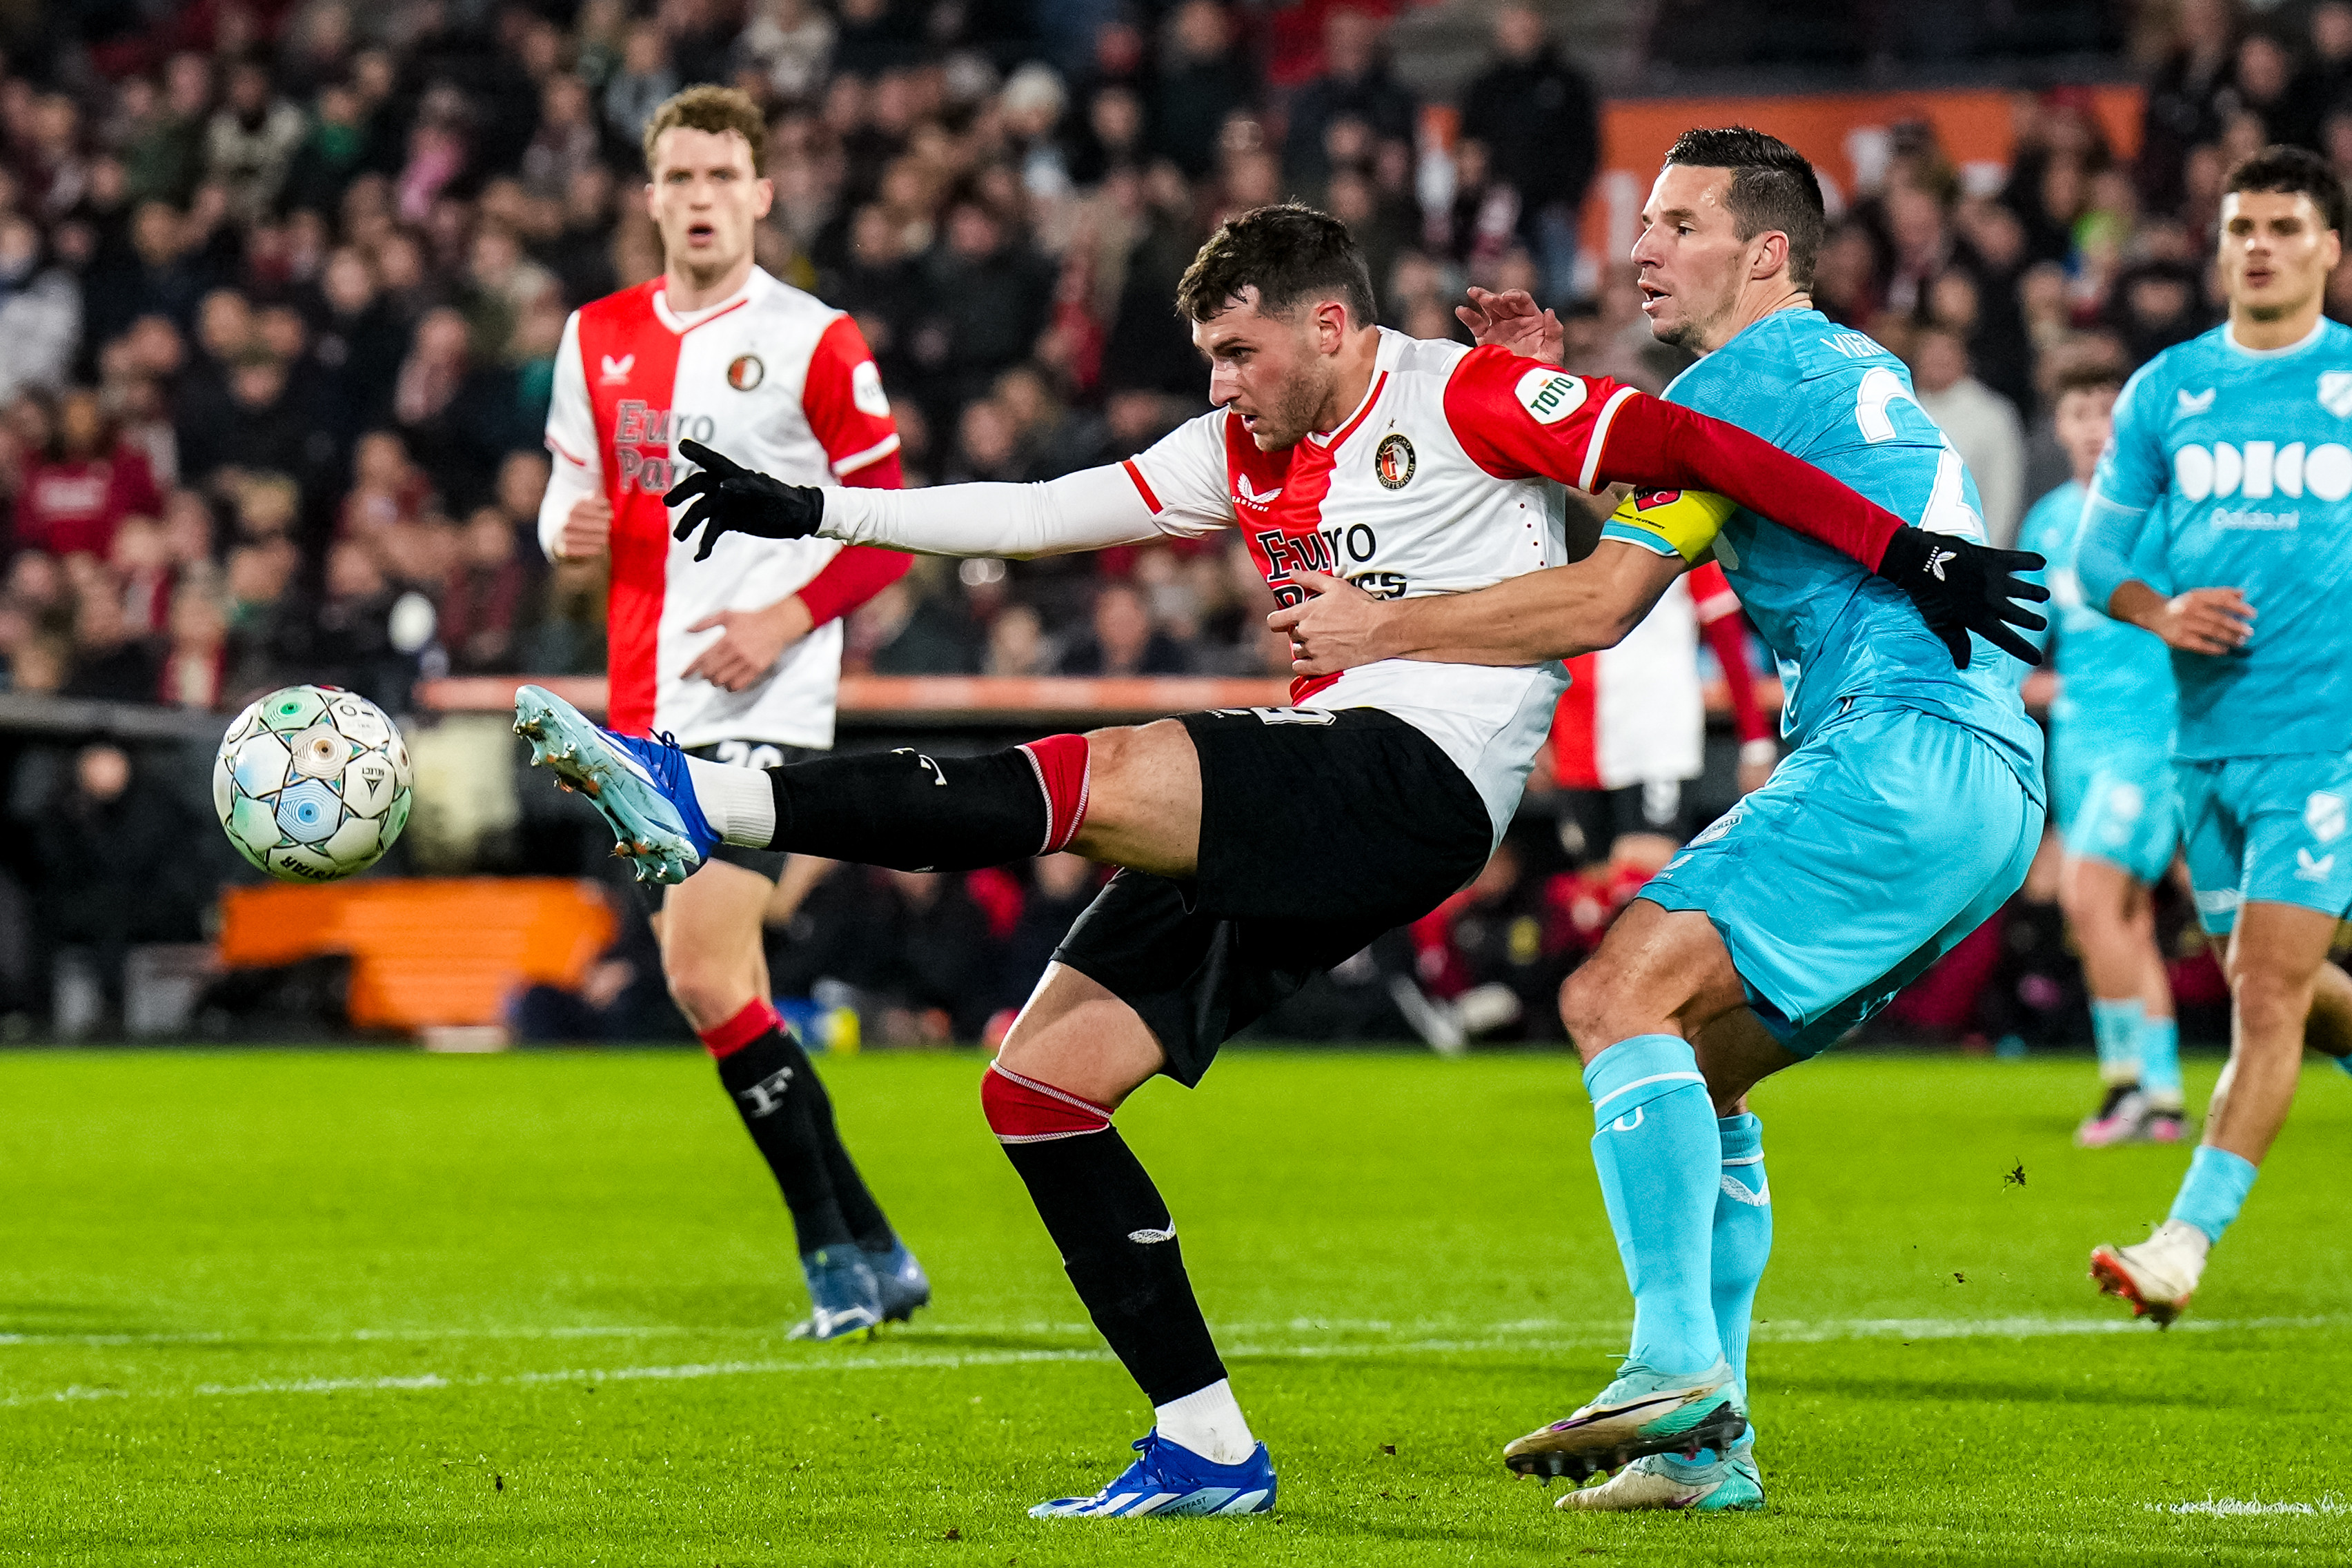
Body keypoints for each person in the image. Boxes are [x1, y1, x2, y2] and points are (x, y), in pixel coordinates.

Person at [511, 201, 2045, 1520]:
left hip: (1419, 772)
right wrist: (814, 505)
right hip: (1323, 790)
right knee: (1038, 1084)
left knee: (1105, 773)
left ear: (1331, 323)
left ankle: (708, 797)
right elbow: (1048, 511)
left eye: (1244, 354)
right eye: (1209, 366)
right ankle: (1202, 1439)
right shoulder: (1237, 448)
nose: (1225, 388)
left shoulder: (1463, 397)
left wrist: (1906, 549)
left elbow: (1687, 440)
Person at [1275, 129, 2050, 1513]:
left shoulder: (1744, 380)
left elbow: (1597, 603)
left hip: (1897, 746)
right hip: (1982, 779)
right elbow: (1666, 498)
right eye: (1641, 218)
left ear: (1765, 253)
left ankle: (1673, 1362)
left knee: (1613, 988)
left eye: (1679, 221)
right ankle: (1705, 1447)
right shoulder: (1827, 373)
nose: (1644, 244)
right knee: (1700, 1060)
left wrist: (1380, 623)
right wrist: (1558, 381)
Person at [534, 85, 926, 1344]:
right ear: (648, 195)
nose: (700, 198)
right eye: (680, 177)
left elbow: (888, 525)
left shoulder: (814, 338)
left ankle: (829, 1261)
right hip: (641, 703)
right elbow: (566, 495)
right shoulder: (594, 335)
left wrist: (780, 619)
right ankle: (875, 1243)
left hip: (763, 698)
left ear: (761, 194)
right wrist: (565, 534)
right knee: (731, 987)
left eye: (723, 177)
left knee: (700, 973)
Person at [2076, 146, 2352, 1326]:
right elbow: (2094, 562)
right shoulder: (2165, 390)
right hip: (2203, 745)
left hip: (2323, 741)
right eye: (2239, 223)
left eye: (2283, 226)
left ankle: (2181, 1241)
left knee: (2263, 995)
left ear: (2327, 248)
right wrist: (2158, 609)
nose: (2256, 245)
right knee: (2270, 981)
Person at [2014, 364, 2186, 1147]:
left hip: (2148, 737)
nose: (2092, 427)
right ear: (2059, 426)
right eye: (2077, 411)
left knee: (2086, 898)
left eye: (2105, 412)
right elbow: (2025, 639)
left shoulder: (2158, 514)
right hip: (2077, 741)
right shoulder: (2049, 521)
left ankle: (2122, 1088)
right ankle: (2167, 1090)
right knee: (2121, 920)